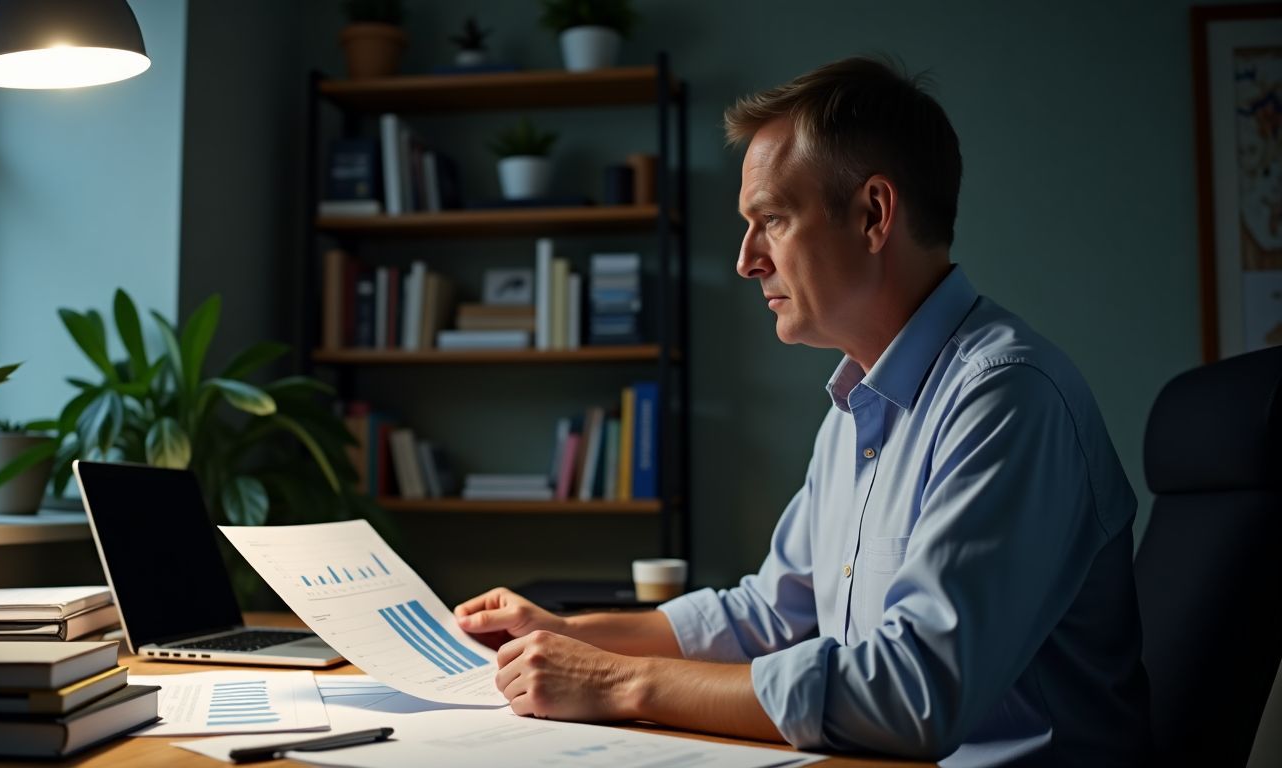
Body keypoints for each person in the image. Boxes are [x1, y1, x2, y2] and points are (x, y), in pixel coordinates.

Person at [454, 57, 1150, 766]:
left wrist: (621, 682)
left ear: (874, 214)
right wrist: (572, 634)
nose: (747, 259)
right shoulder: (856, 404)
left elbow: (914, 697)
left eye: (773, 220)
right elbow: (772, 614)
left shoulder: (1004, 397)